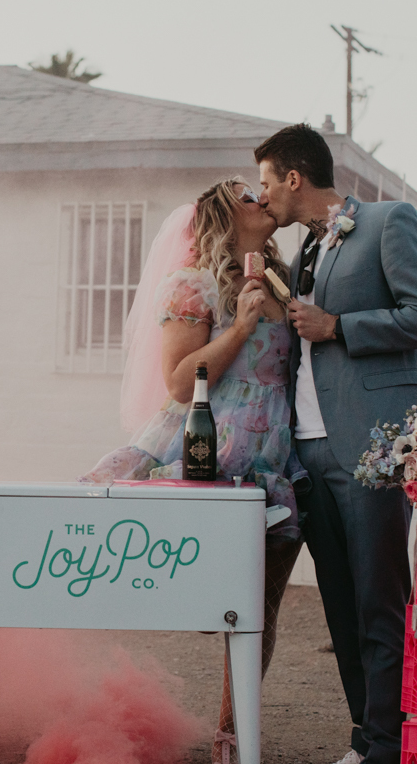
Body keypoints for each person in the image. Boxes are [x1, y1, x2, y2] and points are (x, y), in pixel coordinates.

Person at [81, 176, 303, 764]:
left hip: (273, 462)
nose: (262, 197)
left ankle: (232, 737)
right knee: (209, 605)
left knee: (260, 611)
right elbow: (181, 381)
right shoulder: (192, 285)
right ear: (224, 218)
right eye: (247, 195)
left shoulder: (285, 283)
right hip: (209, 455)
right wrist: (240, 327)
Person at [254, 124, 417, 764]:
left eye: (265, 184)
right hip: (308, 451)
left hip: (372, 444)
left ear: (294, 178)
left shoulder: (390, 222)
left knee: (379, 601)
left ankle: (391, 748)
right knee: (340, 605)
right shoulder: (306, 253)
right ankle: (367, 738)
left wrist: (339, 326)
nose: (262, 200)